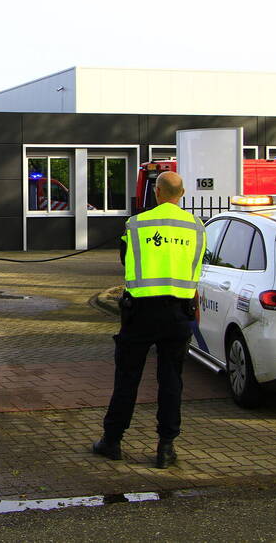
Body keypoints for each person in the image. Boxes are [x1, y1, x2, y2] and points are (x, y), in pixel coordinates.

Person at [92, 171, 206, 469]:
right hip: (180, 313)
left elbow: (125, 260)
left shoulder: (136, 224)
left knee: (127, 379)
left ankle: (112, 441)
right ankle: (166, 447)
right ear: (182, 194)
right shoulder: (197, 227)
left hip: (140, 312)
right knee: (171, 381)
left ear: (157, 193)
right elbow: (195, 268)